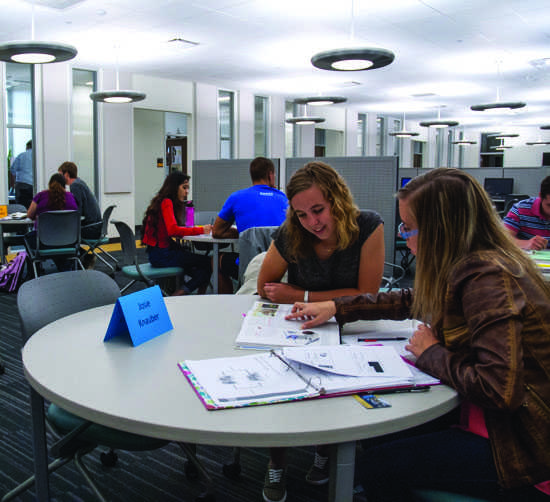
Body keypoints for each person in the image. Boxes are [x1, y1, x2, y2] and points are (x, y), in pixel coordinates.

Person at [291, 168, 550, 502]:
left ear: (441, 231)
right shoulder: (472, 265)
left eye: (409, 228)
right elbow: (409, 300)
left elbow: (500, 390)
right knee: (376, 432)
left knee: (377, 465)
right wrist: (337, 308)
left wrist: (431, 353)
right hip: (494, 423)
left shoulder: (488, 281)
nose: (405, 237)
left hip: (520, 446)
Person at [258, 161, 385, 502]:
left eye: (318, 210)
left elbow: (367, 296)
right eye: (301, 215)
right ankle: (277, 462)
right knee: (282, 385)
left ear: (337, 201)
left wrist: (302, 295)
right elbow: (265, 287)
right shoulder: (291, 233)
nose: (312, 223)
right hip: (301, 328)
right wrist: (304, 300)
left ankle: (325, 452)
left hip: (352, 327)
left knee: (336, 391)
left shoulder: (368, 226)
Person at [212, 157, 288, 292]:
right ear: (271, 175)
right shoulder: (284, 199)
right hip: (282, 271)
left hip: (250, 269)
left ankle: (229, 300)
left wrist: (243, 234)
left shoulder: (237, 197)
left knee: (216, 260)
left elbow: (217, 232)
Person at [142, 171, 214, 296]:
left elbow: (171, 229)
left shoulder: (161, 201)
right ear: (174, 187)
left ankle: (188, 294)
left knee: (202, 269)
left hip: (156, 254)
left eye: (188, 188)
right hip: (162, 255)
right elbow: (173, 230)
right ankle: (178, 296)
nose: (187, 192)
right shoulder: (167, 202)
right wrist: (201, 230)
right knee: (208, 263)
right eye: (184, 187)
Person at [503, 175, 550, 250]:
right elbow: (503, 239)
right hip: (531, 258)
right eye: (549, 205)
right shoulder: (520, 209)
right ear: (541, 196)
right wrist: (526, 244)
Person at [58, 161, 102, 240]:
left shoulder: (75, 186)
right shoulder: (79, 182)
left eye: (60, 175)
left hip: (91, 229)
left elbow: (77, 211)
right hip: (96, 226)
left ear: (67, 174)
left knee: (62, 230)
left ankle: (71, 252)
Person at [10, 140, 34, 210]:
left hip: (22, 184)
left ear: (27, 147)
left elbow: (12, 170)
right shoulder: (38, 155)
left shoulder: (21, 155)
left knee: (20, 207)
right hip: (34, 185)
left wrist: (13, 185)